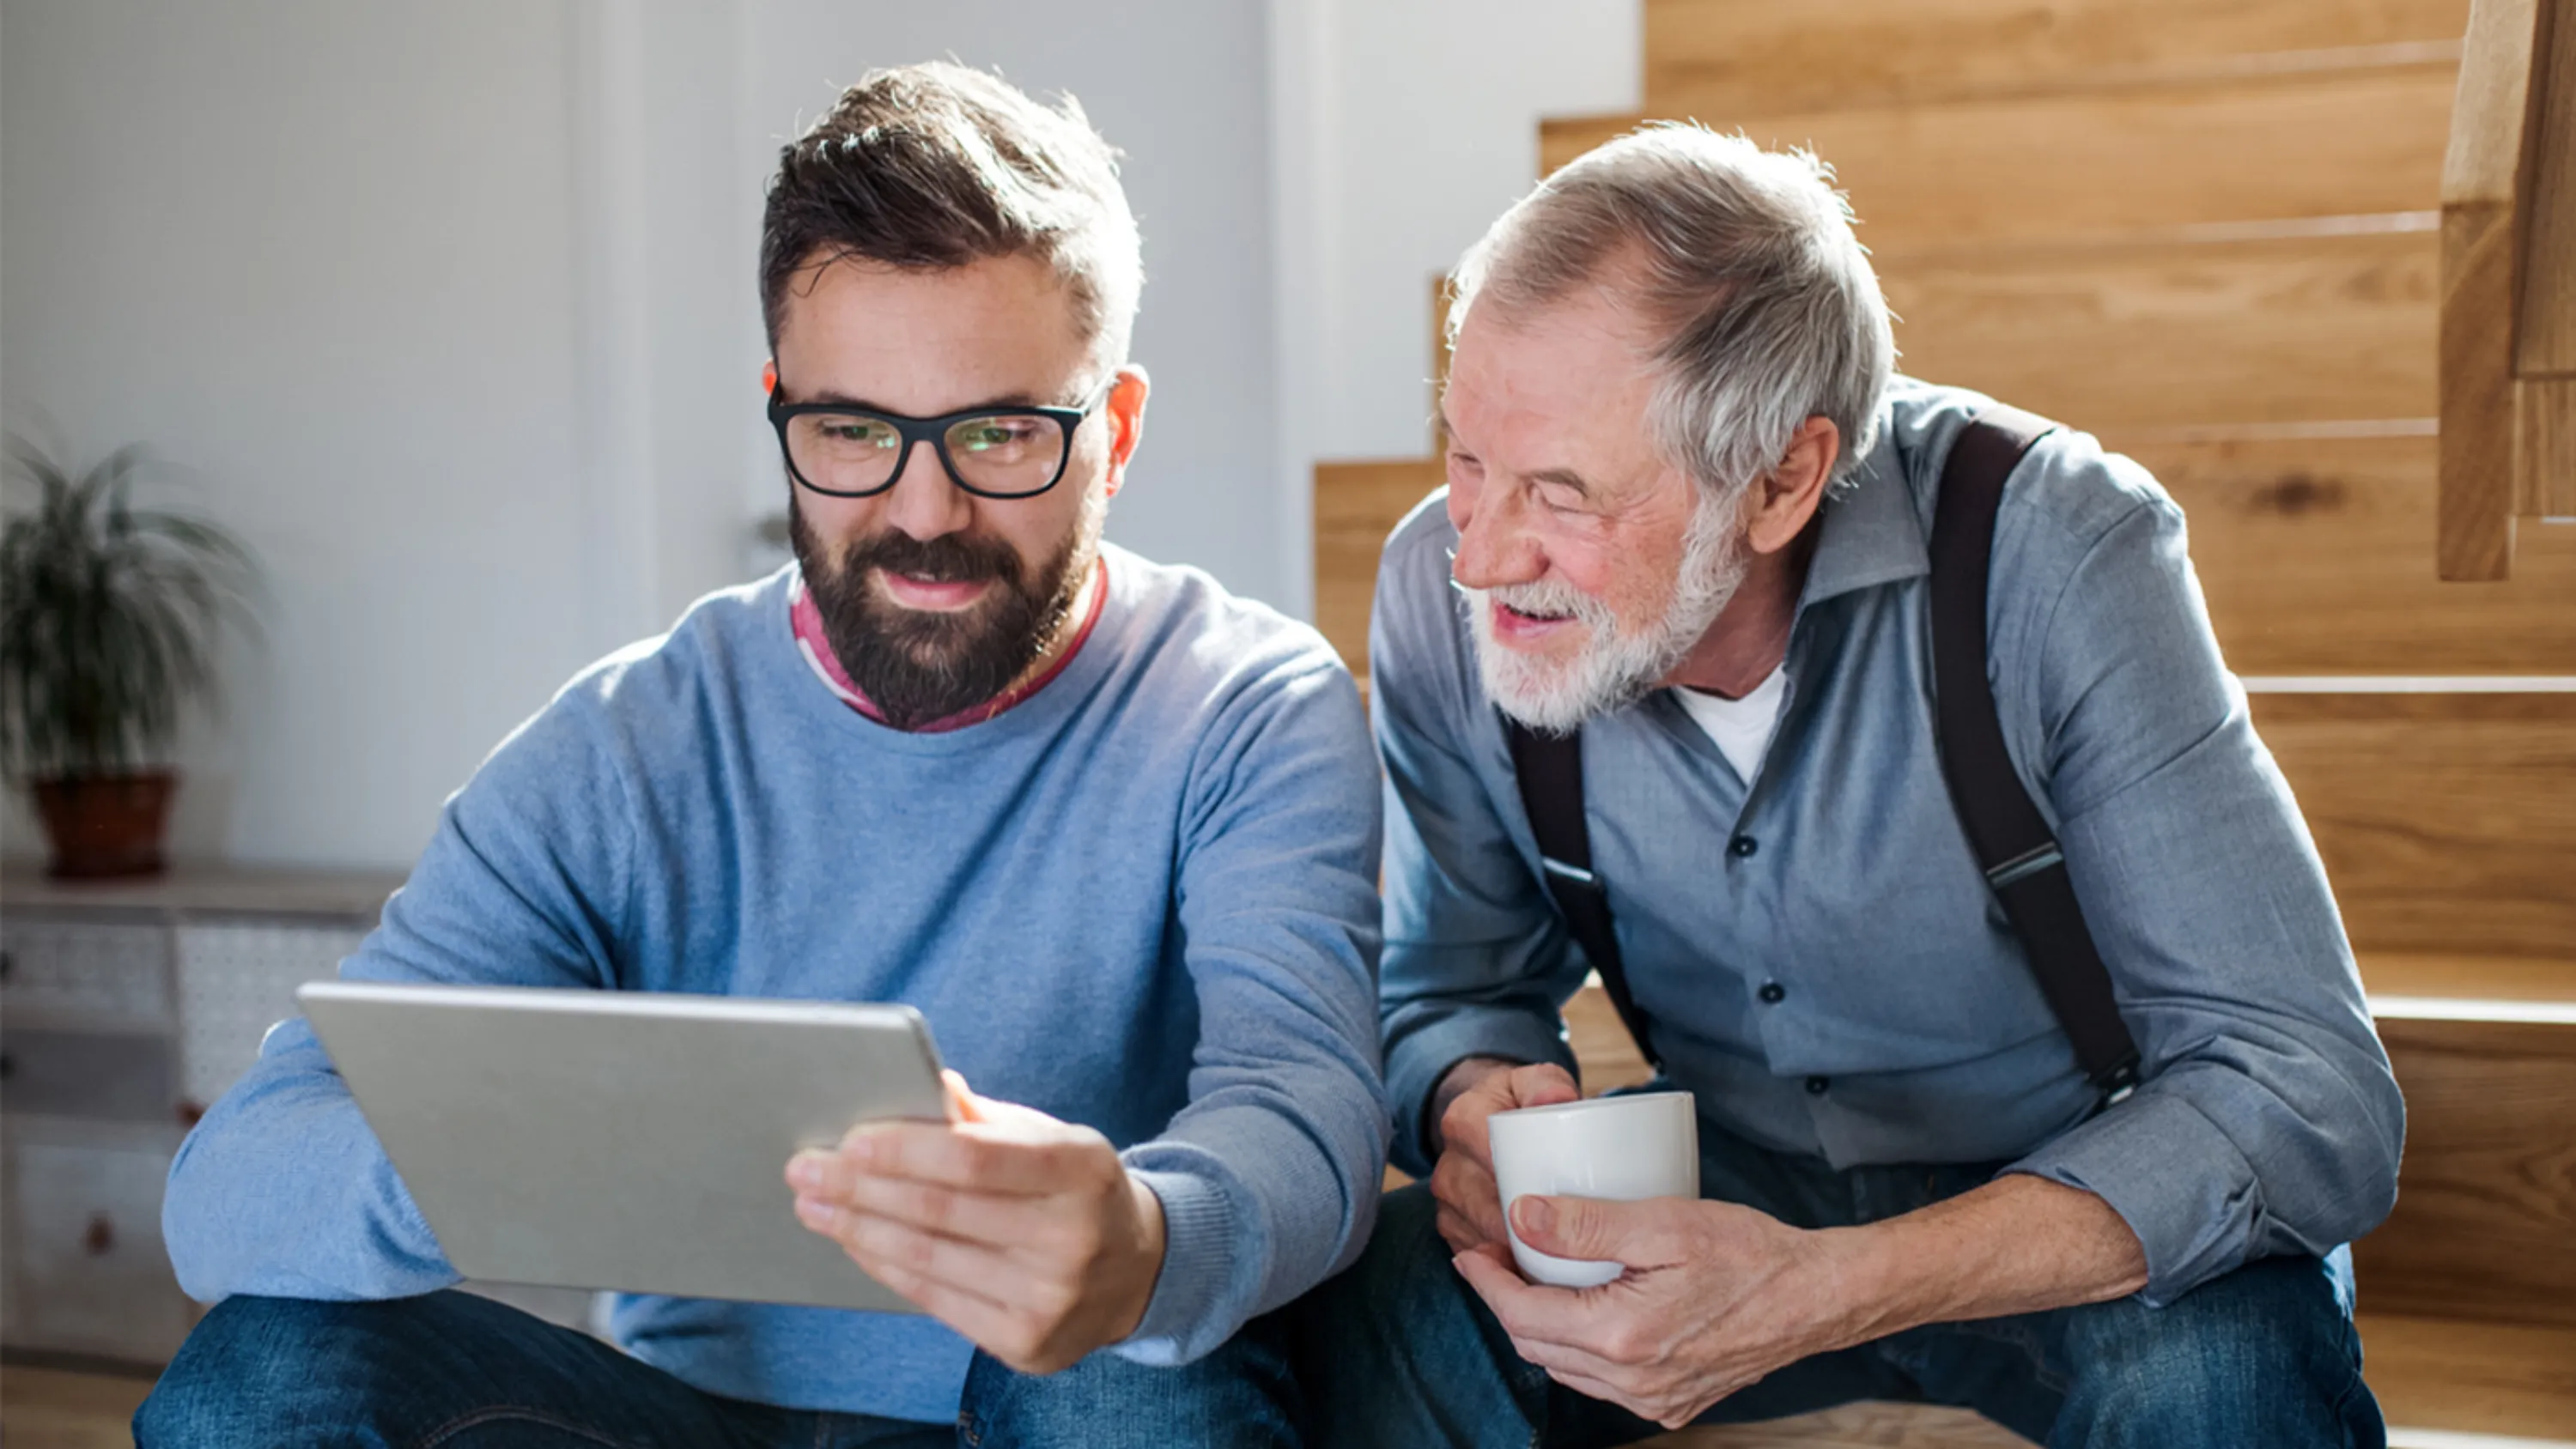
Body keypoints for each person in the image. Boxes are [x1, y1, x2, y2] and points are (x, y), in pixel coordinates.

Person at [137, 62, 1386, 1449]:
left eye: (1000, 433)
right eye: (851, 431)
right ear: (782, 413)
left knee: (1132, 1374)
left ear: (1119, 433)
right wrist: (530, 1147)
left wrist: (1149, 1237)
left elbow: (1305, 1098)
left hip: (1048, 1401)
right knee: (262, 1371)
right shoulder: (623, 748)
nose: (925, 511)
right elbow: (226, 1188)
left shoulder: (1248, 705)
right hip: (683, 1415)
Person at [1291, 123, 2403, 1448]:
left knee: (2228, 1389)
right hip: (1725, 1165)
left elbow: (2306, 1094)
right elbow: (1448, 983)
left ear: (1782, 480)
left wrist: (1830, 1290)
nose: (1479, 555)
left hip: (2068, 1185)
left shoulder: (2057, 550)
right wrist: (1472, 1103)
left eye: (1561, 493)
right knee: (1363, 1322)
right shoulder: (1442, 587)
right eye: (1466, 459)